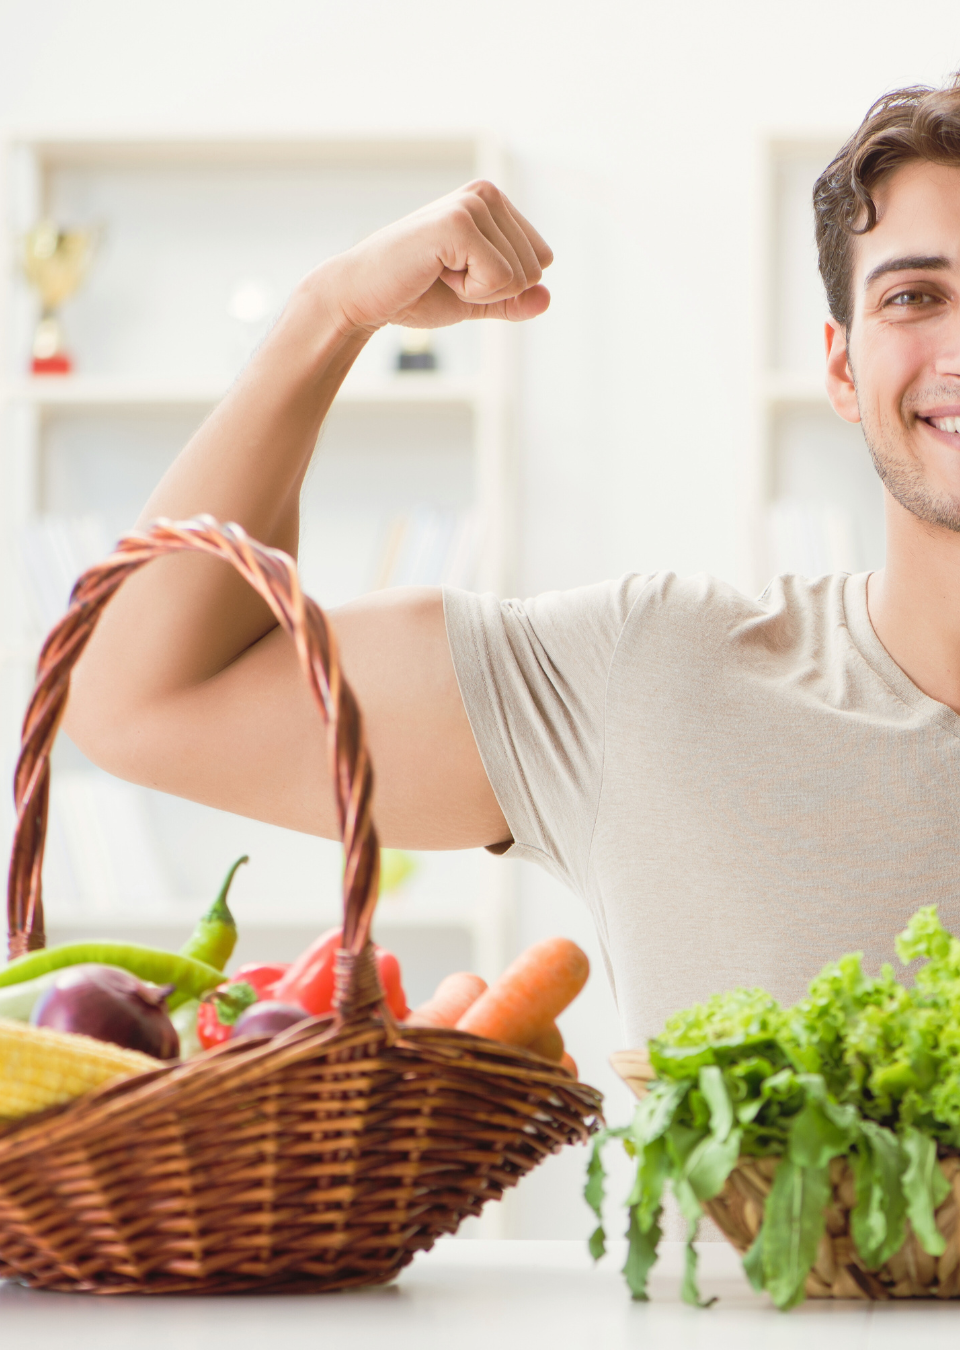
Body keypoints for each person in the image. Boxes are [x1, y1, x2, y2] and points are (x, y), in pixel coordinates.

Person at [66, 77, 960, 1050]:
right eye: (916, 296)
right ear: (842, 367)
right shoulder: (658, 684)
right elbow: (144, 700)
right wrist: (330, 314)